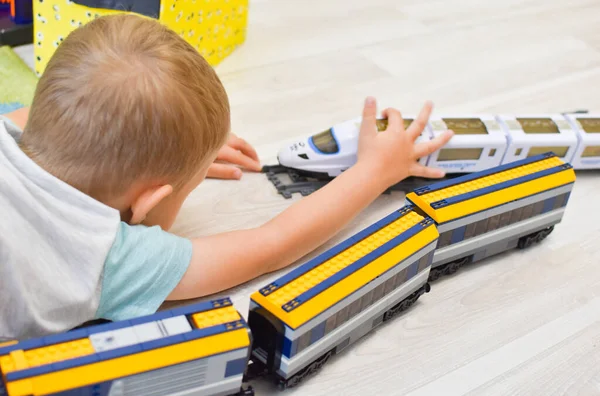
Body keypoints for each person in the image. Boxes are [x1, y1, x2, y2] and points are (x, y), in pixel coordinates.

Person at [0, 14, 453, 340]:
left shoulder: (11, 119)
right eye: (189, 188)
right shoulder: (106, 257)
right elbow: (271, 246)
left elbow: (34, 116)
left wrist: (173, 145)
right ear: (146, 202)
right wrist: (376, 170)